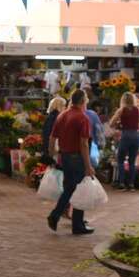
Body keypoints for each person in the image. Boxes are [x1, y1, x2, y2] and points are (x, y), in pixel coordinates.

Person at [47, 89, 95, 235]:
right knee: (79, 190)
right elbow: (84, 144)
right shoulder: (82, 118)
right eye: (86, 99)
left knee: (69, 188)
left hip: (65, 157)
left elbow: (52, 138)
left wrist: (52, 154)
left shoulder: (62, 115)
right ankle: (76, 224)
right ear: (83, 101)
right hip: (77, 158)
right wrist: (88, 166)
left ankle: (58, 216)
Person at [110, 92, 139, 191]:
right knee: (132, 161)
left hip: (125, 135)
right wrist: (138, 121)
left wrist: (119, 122)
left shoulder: (121, 110)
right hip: (136, 136)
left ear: (123, 100)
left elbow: (111, 123)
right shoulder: (138, 109)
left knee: (120, 159)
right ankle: (131, 184)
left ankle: (121, 183)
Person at [41, 97, 66, 166]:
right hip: (54, 147)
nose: (65, 108)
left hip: (48, 145)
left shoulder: (50, 116)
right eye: (64, 105)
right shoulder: (58, 117)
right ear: (59, 106)